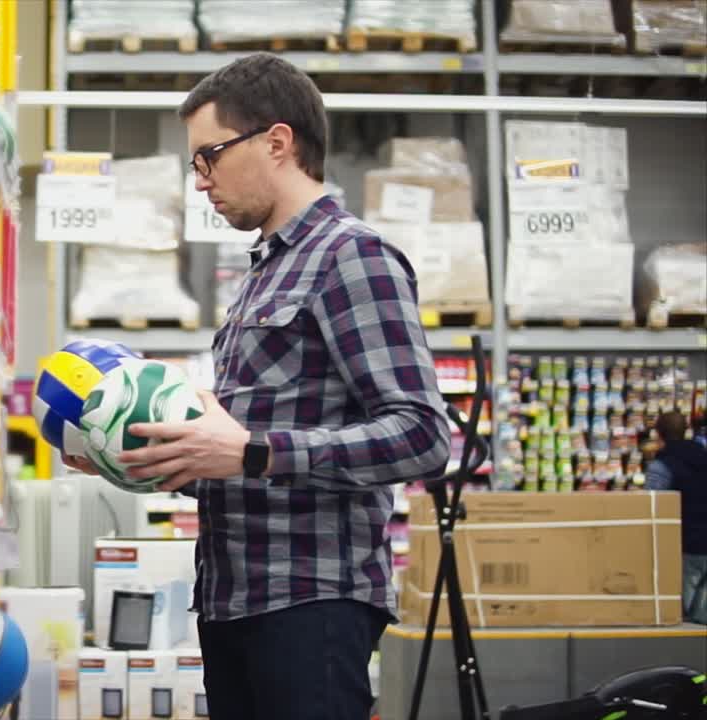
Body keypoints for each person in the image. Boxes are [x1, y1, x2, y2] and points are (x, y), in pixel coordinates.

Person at [63, 54, 450, 720]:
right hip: (232, 599)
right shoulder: (263, 277)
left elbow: (421, 436)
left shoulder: (349, 257)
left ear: (277, 142)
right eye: (194, 164)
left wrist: (251, 453)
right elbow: (238, 450)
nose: (200, 181)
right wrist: (148, 458)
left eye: (209, 156)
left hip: (309, 600)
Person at [646, 410, 707, 625]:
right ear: (686, 430)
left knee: (686, 618)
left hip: (684, 544)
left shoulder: (662, 466)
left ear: (658, 433)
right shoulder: (702, 456)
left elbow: (651, 507)